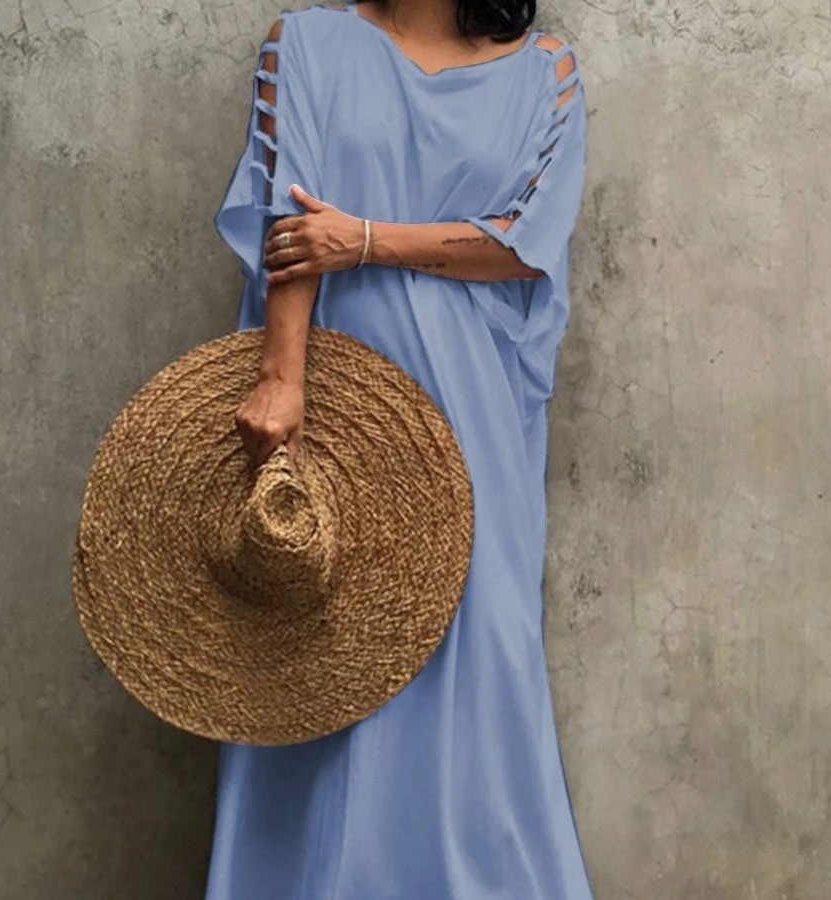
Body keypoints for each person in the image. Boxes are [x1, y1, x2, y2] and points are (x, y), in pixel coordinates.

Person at [205, 0, 592, 896]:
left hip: (474, 413)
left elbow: (525, 246)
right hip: (341, 391)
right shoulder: (307, 43)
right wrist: (282, 379)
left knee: (479, 654)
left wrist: (368, 238)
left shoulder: (547, 72)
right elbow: (288, 224)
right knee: (318, 647)